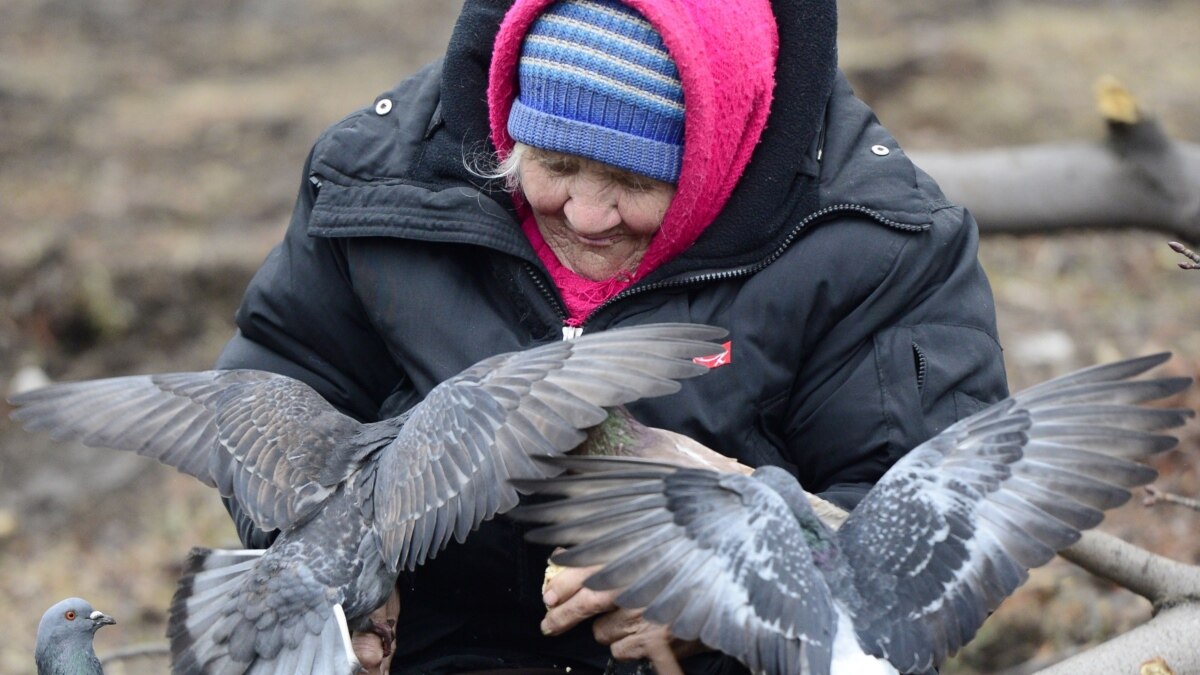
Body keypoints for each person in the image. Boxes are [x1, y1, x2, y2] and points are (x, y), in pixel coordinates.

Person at [216, 0, 1009, 672]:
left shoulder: (877, 244)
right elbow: (280, 382)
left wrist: (722, 607)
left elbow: (922, 536)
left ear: (716, 158)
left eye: (634, 180)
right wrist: (335, 570)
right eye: (554, 162)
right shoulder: (379, 182)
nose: (587, 214)